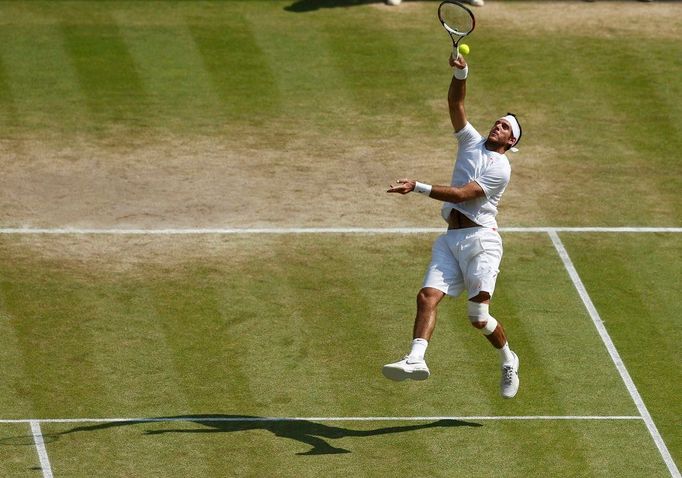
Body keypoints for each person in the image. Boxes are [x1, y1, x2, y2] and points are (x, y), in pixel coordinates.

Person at [382, 51, 521, 399]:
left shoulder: (501, 169)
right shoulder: (471, 141)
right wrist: (462, 74)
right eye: (497, 121)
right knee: (427, 296)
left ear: (511, 141)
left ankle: (507, 358)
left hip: (481, 242)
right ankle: (415, 359)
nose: (497, 126)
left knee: (478, 317)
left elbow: (461, 195)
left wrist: (418, 187)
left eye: (505, 127)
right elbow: (456, 106)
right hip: (451, 239)